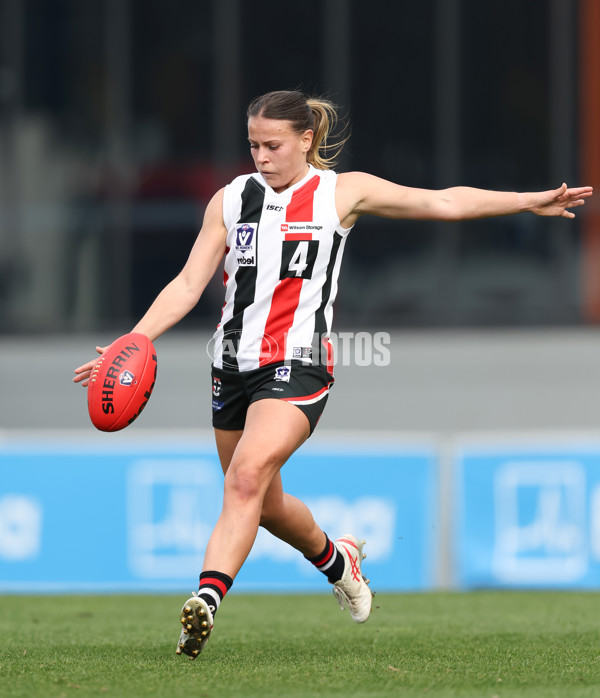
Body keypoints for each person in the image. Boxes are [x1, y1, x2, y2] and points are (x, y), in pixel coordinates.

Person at [74, 89, 593, 659]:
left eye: (273, 145)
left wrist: (525, 201)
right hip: (230, 368)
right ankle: (337, 559)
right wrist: (132, 342)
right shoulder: (230, 200)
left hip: (298, 366)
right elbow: (188, 284)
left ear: (306, 140)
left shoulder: (341, 193)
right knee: (264, 502)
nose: (261, 157)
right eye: (253, 145)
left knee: (244, 478)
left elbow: (443, 202)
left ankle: (205, 600)